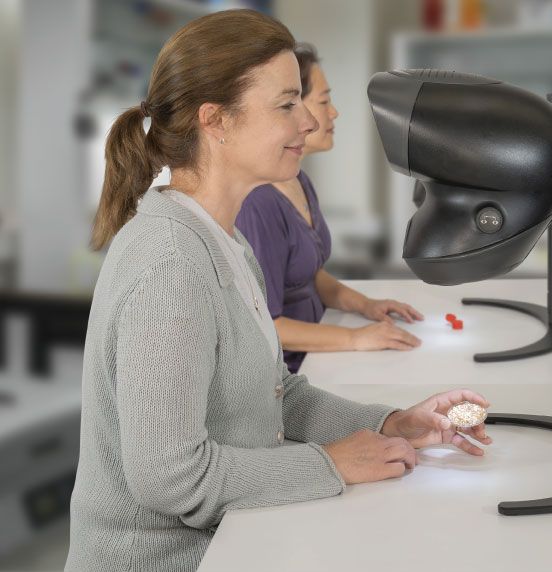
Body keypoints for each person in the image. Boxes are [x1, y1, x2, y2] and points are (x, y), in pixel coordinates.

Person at [65, 10, 491, 572]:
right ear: (216, 120)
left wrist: (390, 423)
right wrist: (329, 464)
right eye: (286, 104)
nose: (307, 124)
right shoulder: (169, 262)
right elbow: (169, 478)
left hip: (235, 541)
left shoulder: (227, 240)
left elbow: (277, 394)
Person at [235, 43, 423, 374]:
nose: (333, 113)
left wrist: (366, 305)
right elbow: (266, 325)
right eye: (323, 101)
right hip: (287, 375)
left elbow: (307, 275)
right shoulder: (259, 203)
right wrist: (355, 338)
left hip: (319, 357)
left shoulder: (298, 180)